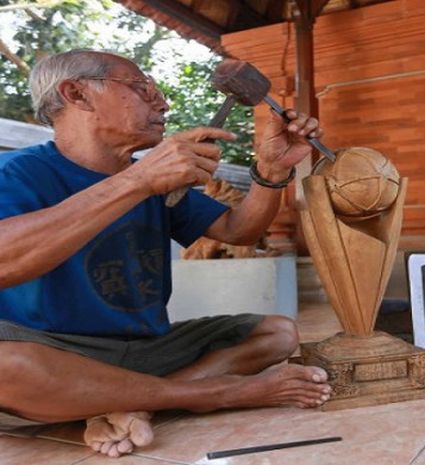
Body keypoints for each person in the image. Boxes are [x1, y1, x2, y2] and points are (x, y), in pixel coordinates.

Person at [0, 49, 331, 458]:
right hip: (55, 352)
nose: (163, 102)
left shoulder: (154, 177)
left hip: (144, 350)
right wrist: (139, 180)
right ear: (77, 94)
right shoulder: (16, 173)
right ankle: (212, 393)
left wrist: (272, 171)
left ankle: (139, 402)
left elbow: (239, 230)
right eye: (142, 88)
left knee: (276, 332)